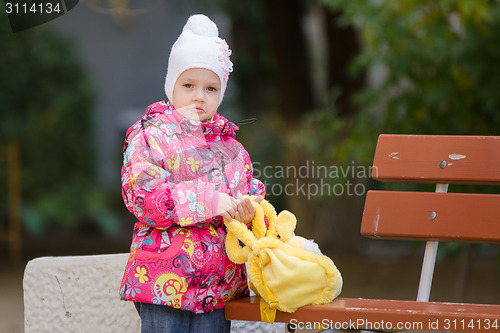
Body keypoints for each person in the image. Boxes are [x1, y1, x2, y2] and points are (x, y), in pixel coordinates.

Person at [118, 14, 265, 333]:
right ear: (171, 86)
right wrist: (209, 202)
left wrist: (249, 210)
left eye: (210, 88)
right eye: (188, 85)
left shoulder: (232, 151)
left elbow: (252, 195)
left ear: (221, 93)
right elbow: (144, 197)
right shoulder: (152, 138)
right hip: (163, 280)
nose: (199, 96)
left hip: (219, 284)